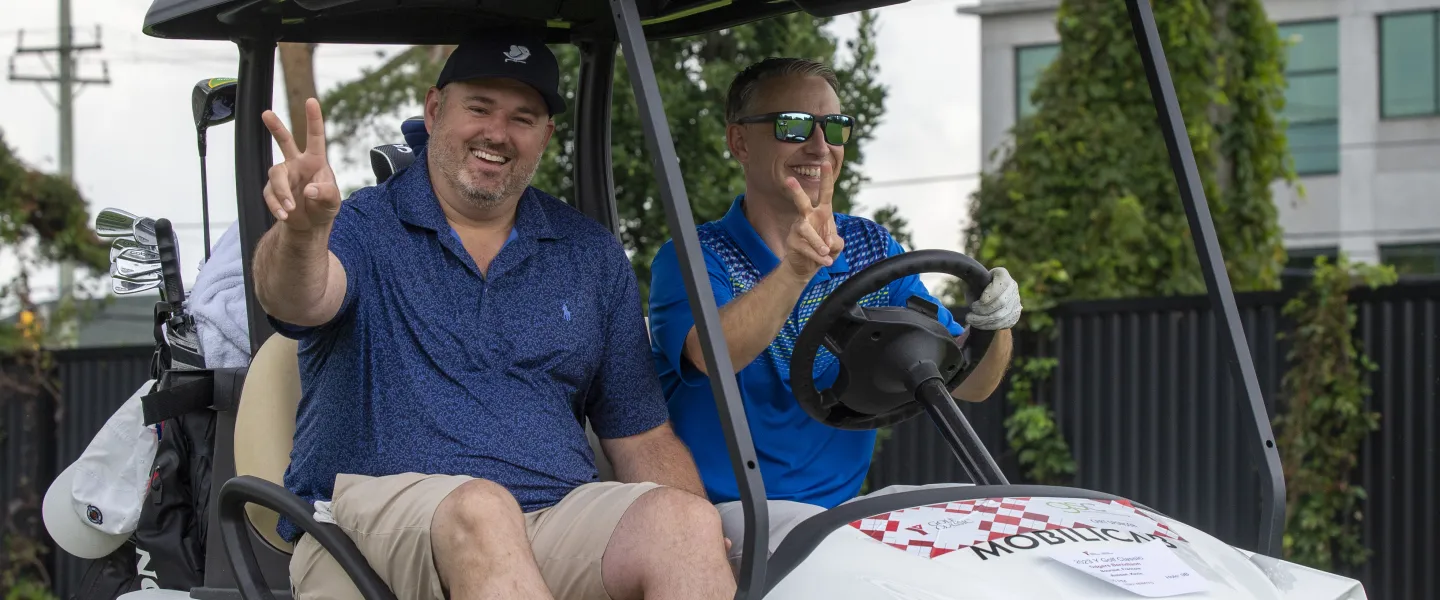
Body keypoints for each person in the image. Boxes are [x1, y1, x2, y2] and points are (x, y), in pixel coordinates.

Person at [252, 32, 736, 600]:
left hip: (549, 521)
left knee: (685, 525)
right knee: (483, 508)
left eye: (523, 118)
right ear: (435, 110)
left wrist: (696, 523)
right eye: (479, 108)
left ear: (546, 136)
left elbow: (641, 435)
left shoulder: (589, 254)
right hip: (368, 533)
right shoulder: (366, 224)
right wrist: (303, 233)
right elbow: (297, 299)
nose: (497, 134)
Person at [645, 57, 1023, 570]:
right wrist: (796, 270)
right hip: (732, 518)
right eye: (794, 125)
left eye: (835, 126)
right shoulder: (693, 256)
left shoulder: (869, 246)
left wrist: (993, 324)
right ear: (739, 142)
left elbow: (970, 385)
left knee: (992, 533)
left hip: (842, 515)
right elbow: (714, 354)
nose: (820, 146)